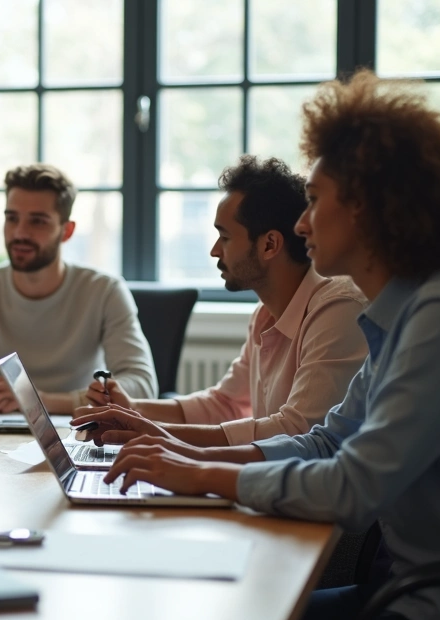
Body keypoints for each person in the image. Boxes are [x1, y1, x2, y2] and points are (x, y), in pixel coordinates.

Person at [75, 71, 440, 620]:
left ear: (369, 210)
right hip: (402, 584)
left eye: (315, 201)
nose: (301, 223)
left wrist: (199, 473)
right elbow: (324, 440)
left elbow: (350, 488)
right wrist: (178, 455)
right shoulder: (402, 313)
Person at [79, 156, 367, 448]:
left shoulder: (338, 309)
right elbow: (225, 403)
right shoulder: (266, 314)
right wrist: (132, 409)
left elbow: (298, 430)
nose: (215, 251)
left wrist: (153, 433)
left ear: (269, 244)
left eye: (225, 237)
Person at [0, 163, 157, 414]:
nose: (20, 233)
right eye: (12, 218)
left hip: (77, 432)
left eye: (38, 221)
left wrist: (40, 401)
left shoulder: (104, 291)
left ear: (67, 231)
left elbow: (142, 386)